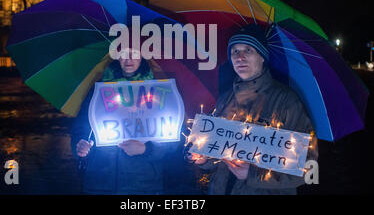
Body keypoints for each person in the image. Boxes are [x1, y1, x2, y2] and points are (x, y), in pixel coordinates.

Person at [189, 24, 318, 195]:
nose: (240, 57)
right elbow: (216, 154)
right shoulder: (225, 98)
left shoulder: (287, 101)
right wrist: (203, 158)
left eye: (248, 50)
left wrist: (254, 174)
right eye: (235, 51)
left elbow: (310, 168)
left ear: (262, 56)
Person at [71, 48, 176, 194]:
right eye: (123, 53)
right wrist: (81, 144)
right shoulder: (98, 89)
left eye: (135, 53)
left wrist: (147, 149)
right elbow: (81, 127)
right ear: (116, 55)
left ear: (143, 55)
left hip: (143, 185)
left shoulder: (158, 90)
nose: (128, 59)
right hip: (100, 183)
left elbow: (173, 140)